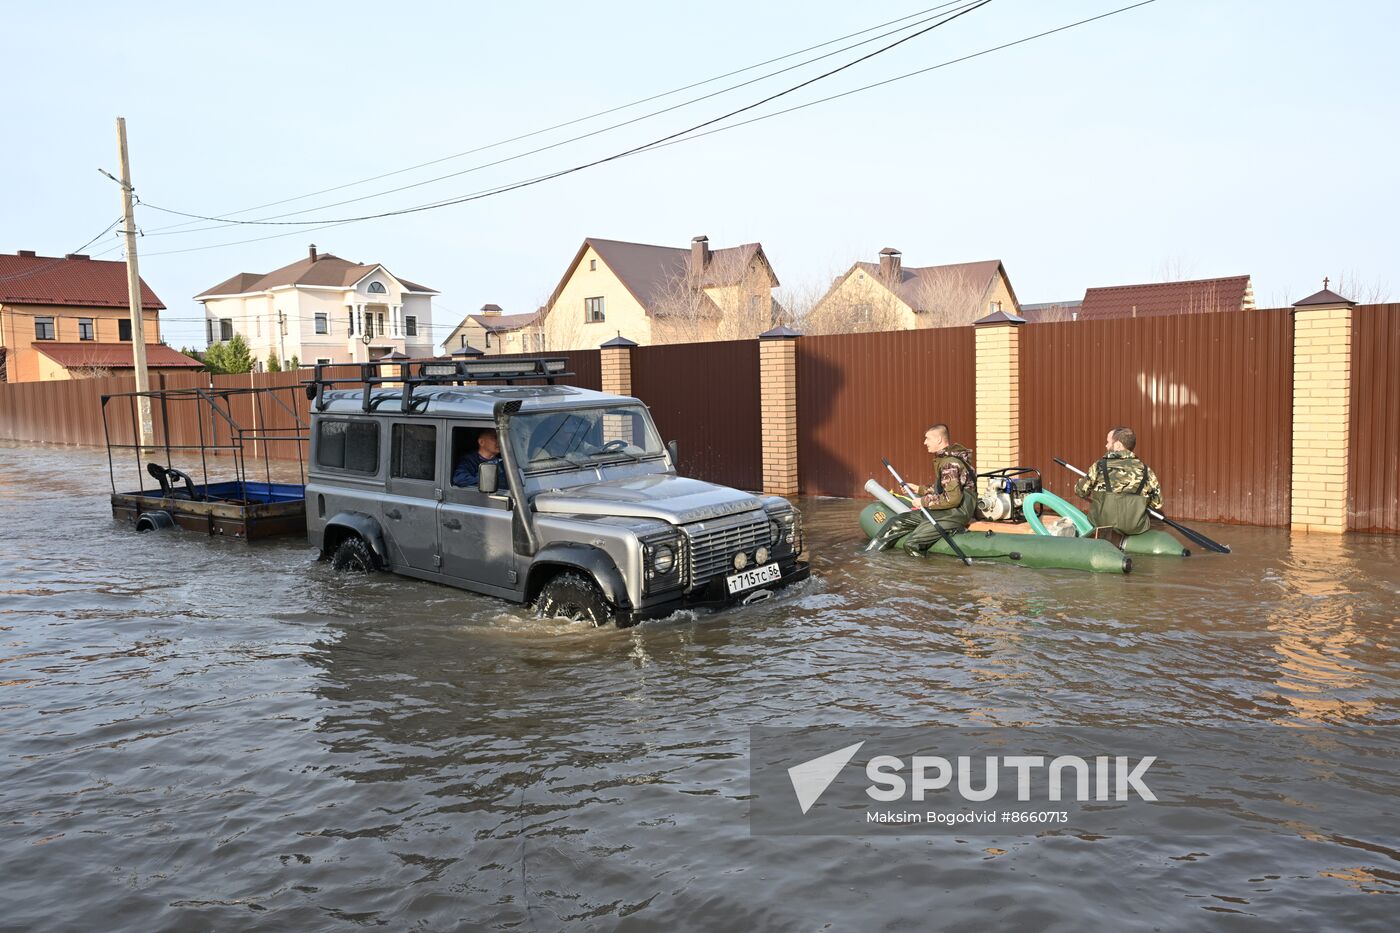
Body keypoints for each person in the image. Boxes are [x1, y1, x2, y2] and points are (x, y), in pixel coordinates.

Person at [900, 423, 976, 554]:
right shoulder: (947, 459)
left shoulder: (949, 463)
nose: (924, 442)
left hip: (956, 512)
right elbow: (944, 487)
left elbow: (953, 499)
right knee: (899, 521)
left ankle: (924, 573)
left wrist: (923, 501)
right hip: (950, 509)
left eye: (927, 438)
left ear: (939, 440)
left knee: (911, 544)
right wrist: (919, 489)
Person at [1073, 426, 1162, 536]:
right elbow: (1157, 503)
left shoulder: (1099, 466)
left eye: (1108, 442)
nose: (1106, 445)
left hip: (1104, 524)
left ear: (1118, 445)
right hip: (1136, 527)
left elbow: (1080, 491)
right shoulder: (1147, 471)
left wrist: (1084, 483)